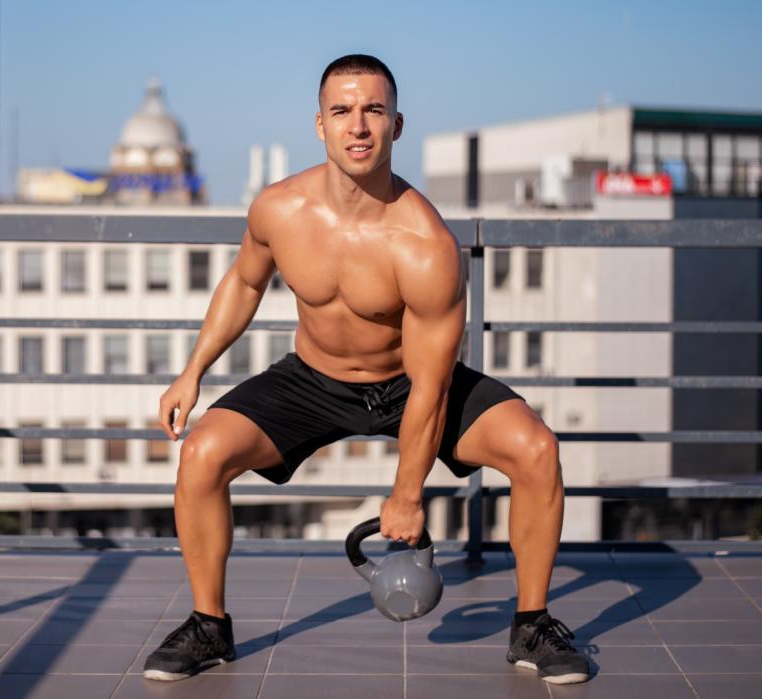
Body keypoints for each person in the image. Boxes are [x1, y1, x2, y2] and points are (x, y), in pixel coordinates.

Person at [142, 54, 589, 686]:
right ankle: (209, 625)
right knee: (203, 454)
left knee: (536, 448)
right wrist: (192, 371)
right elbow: (243, 285)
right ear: (319, 124)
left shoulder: (425, 244)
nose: (359, 126)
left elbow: (431, 388)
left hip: (411, 383)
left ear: (396, 125)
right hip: (311, 381)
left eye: (374, 111)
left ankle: (533, 625)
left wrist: (407, 498)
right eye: (343, 111)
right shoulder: (278, 209)